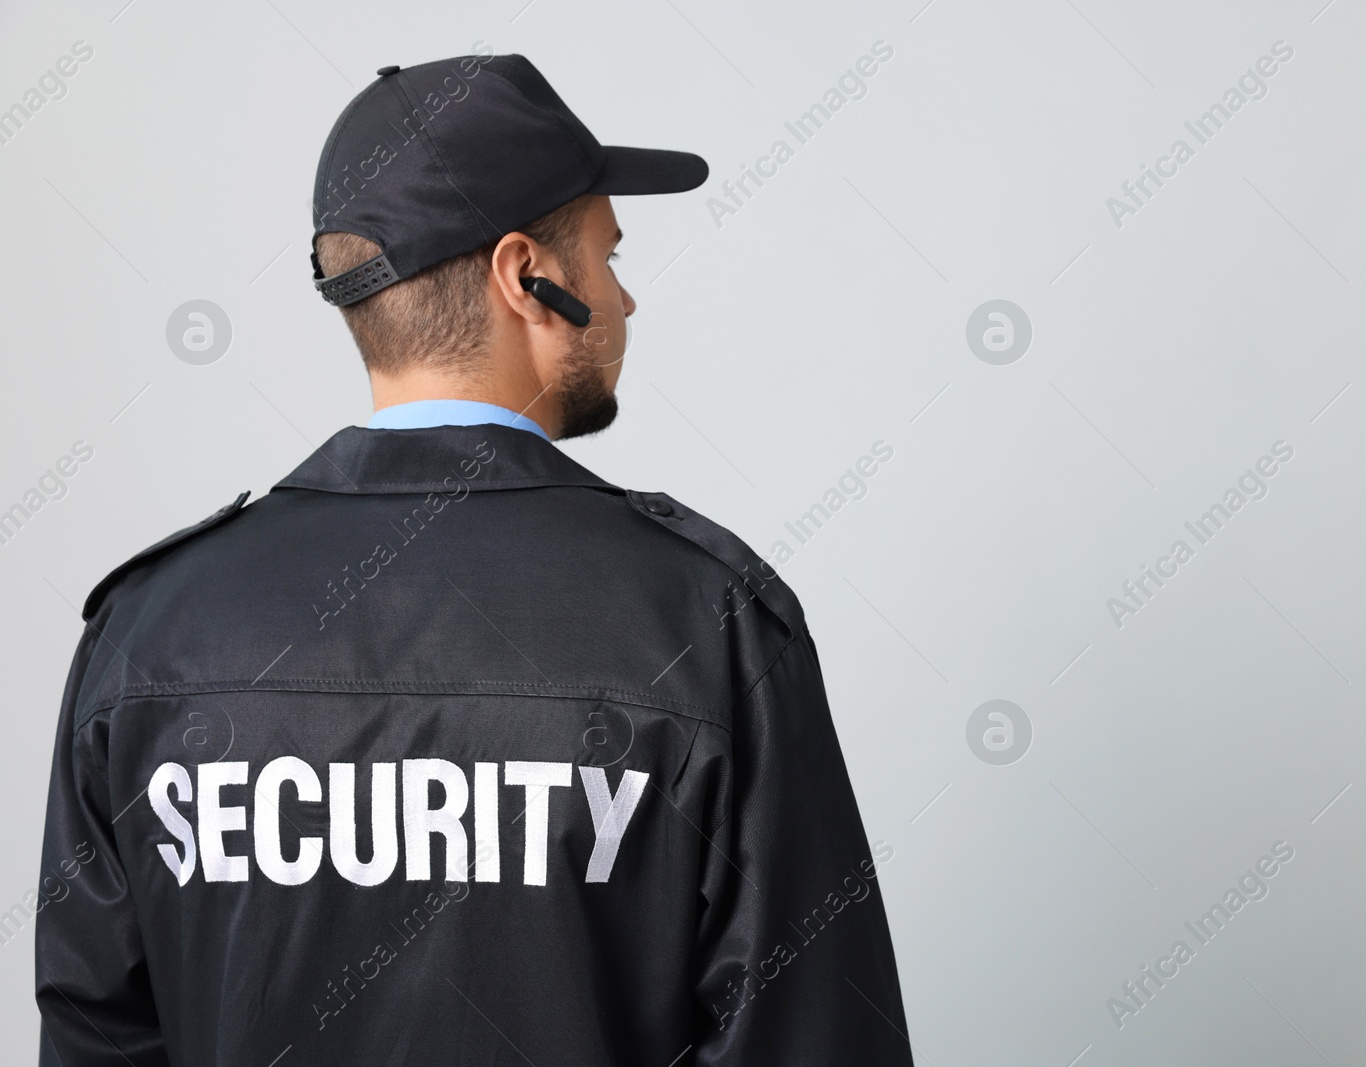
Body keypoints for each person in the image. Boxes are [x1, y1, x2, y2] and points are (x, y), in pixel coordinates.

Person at [35, 51, 912, 1066]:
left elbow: (99, 1037)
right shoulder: (705, 619)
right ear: (524, 276)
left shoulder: (151, 630)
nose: (626, 301)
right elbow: (813, 1041)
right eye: (608, 257)